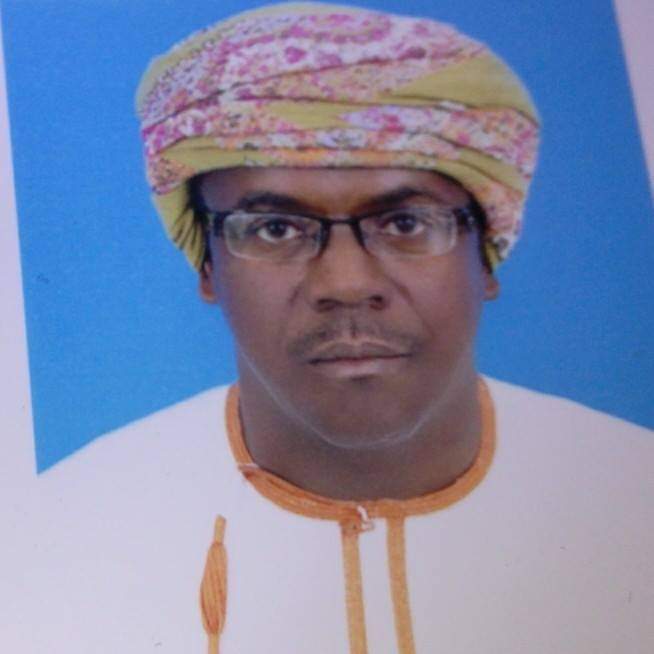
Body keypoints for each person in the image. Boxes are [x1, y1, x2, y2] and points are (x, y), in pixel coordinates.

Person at [4, 3, 653, 653]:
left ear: (485, 256)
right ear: (206, 263)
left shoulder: (632, 491)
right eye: (274, 229)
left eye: (405, 223)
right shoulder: (61, 538)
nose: (345, 282)